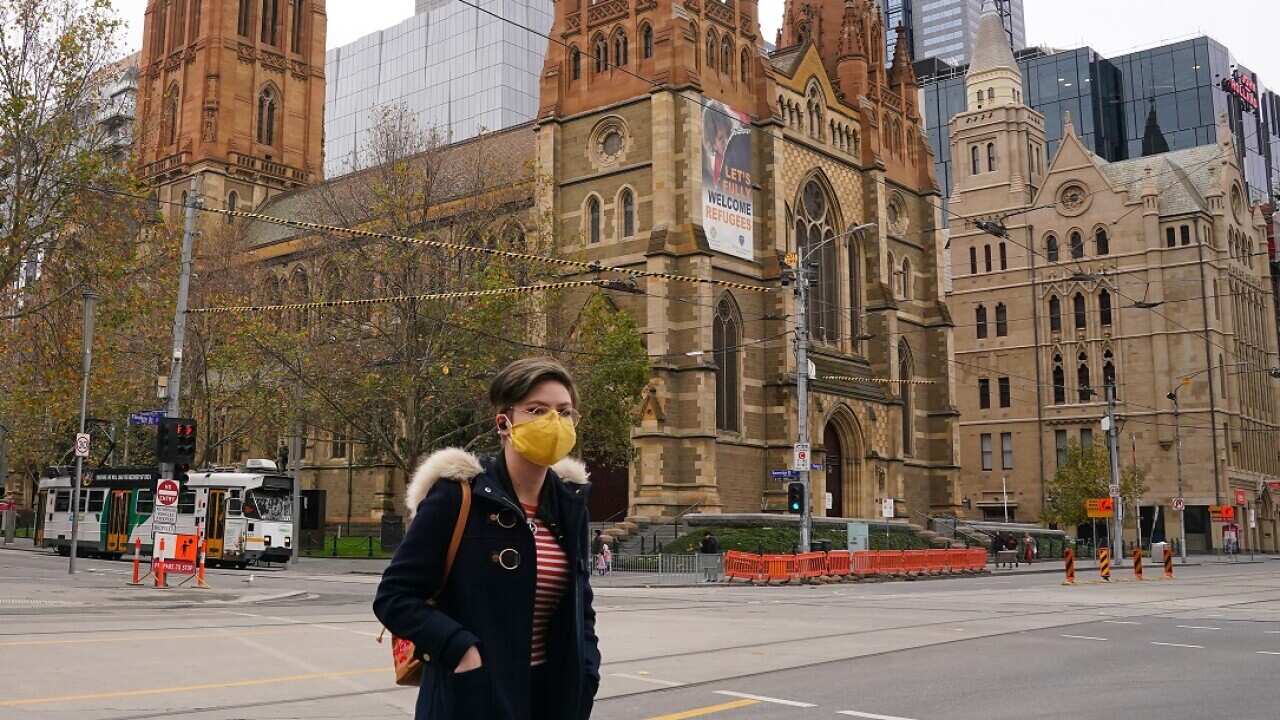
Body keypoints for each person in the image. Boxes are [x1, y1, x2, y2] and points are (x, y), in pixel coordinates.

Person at [374, 357, 600, 720]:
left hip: (551, 699)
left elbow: (581, 606)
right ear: (504, 422)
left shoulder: (569, 506)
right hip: (472, 698)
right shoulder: (458, 495)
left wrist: (587, 672)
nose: (553, 422)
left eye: (564, 412)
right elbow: (394, 598)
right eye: (537, 410)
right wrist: (461, 652)